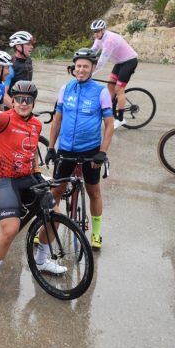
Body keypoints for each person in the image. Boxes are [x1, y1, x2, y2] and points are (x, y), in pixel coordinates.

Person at [0, 80, 65, 299]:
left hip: (26, 176)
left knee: (54, 216)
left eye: (28, 100)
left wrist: (37, 171)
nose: (23, 103)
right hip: (4, 178)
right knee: (10, 229)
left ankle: (42, 261)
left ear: (33, 103)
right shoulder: (6, 118)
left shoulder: (36, 124)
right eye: (19, 100)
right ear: (13, 101)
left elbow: (32, 149)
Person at [45, 48, 114, 249]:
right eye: (78, 66)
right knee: (56, 190)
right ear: (74, 68)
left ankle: (96, 233)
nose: (81, 70)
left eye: (85, 66)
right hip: (66, 149)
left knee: (93, 191)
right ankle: (46, 230)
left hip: (90, 150)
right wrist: (51, 147)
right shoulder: (65, 89)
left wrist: (102, 152)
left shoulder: (101, 92)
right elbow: (57, 120)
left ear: (93, 68)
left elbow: (109, 124)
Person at [90, 19, 138, 129]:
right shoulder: (99, 38)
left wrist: (90, 72)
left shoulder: (109, 40)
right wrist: (80, 60)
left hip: (129, 61)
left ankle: (120, 119)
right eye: (94, 31)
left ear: (103, 30)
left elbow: (102, 61)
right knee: (110, 85)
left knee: (118, 89)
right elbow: (93, 51)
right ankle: (110, 110)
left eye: (97, 31)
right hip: (120, 62)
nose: (95, 34)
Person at [2, 30, 35, 107]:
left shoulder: (29, 61)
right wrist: (17, 109)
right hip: (12, 108)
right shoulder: (10, 66)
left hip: (23, 105)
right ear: (18, 46)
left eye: (31, 44)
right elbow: (3, 94)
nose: (31, 47)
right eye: (28, 44)